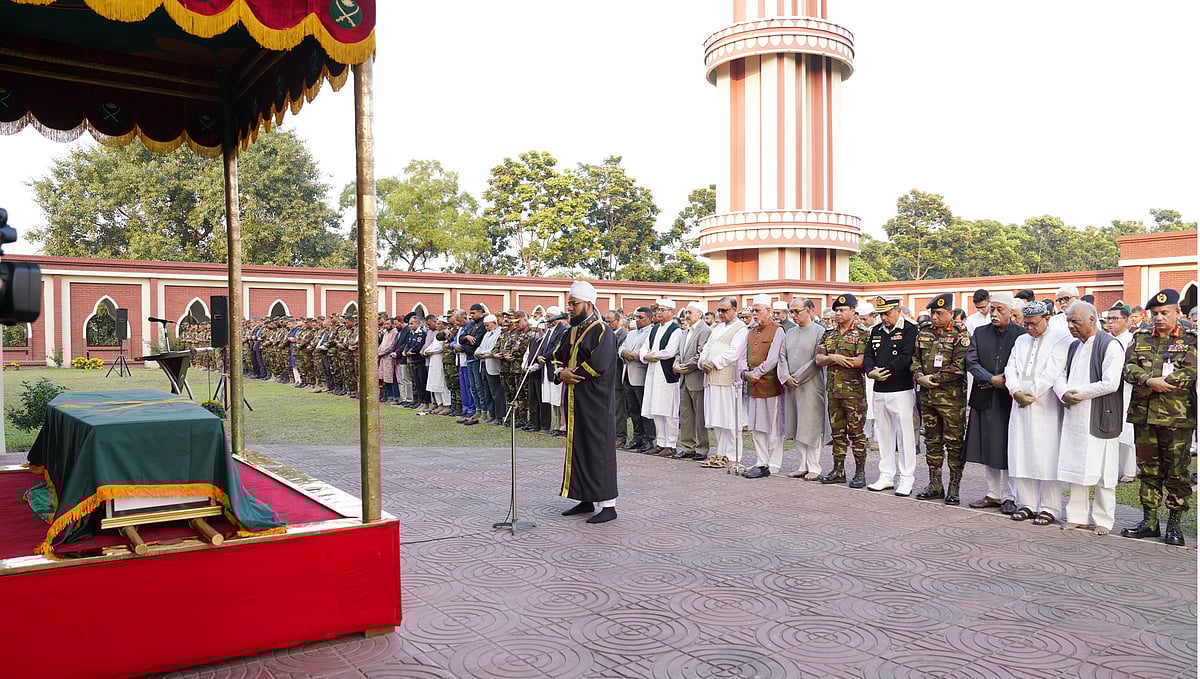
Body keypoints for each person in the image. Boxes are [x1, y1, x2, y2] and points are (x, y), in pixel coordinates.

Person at [1120, 288, 1197, 546]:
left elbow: (1190, 371)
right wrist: (1149, 379)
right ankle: (1149, 521)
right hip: (1144, 416)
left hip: (1176, 417)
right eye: (1155, 313)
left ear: (1177, 312)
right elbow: (1128, 368)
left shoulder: (1190, 339)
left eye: (1164, 313)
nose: (1159, 318)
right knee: (1148, 470)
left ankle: (1174, 523)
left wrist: (1164, 382)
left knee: (1177, 471)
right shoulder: (1141, 337)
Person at [1055, 300, 1124, 535]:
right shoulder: (1074, 346)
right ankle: (1077, 516)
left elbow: (1111, 383)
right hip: (1075, 416)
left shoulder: (1110, 345)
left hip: (1101, 415)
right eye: (1068, 321)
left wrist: (1080, 394)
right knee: (1077, 466)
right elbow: (1061, 375)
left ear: (1092, 320)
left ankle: (1104, 520)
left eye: (1076, 321)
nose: (1071, 326)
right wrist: (1064, 392)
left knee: (1105, 471)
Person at [554, 280, 619, 524]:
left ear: (588, 304)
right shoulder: (571, 330)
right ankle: (585, 497)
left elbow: (600, 364)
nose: (569, 308)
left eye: (574, 304)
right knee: (578, 446)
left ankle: (608, 504)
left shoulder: (603, 331)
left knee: (598, 448)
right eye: (568, 303)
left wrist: (572, 374)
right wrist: (560, 373)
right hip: (575, 399)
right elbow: (555, 356)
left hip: (595, 402)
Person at [1004, 302, 1070, 526]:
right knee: (1021, 452)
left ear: (1047, 318)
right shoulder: (1021, 339)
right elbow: (1010, 367)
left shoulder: (1062, 338)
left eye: (1033, 324)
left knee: (1047, 455)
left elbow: (1054, 370)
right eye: (1026, 324)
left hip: (1046, 404)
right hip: (1019, 401)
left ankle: (1049, 507)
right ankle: (1027, 504)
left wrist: (1031, 394)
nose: (1029, 328)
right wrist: (1014, 391)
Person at [965, 292, 1026, 513]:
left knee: (1008, 446)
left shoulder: (1021, 335)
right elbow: (971, 361)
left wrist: (1007, 381)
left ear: (1011, 312)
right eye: (992, 309)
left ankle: (1011, 496)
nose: (995, 314)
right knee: (987, 445)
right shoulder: (980, 333)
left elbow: (1022, 365)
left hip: (1009, 398)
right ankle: (993, 494)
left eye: (1000, 310)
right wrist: (990, 378)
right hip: (984, 394)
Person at [912, 293, 970, 504]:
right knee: (932, 441)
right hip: (928, 397)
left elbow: (960, 366)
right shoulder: (924, 332)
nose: (934, 317)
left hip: (951, 399)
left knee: (954, 443)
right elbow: (914, 358)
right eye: (932, 313)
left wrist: (933, 378)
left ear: (951, 313)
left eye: (939, 313)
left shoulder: (960, 334)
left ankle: (954, 486)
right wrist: (919, 376)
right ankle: (935, 483)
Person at [864, 295, 919, 496]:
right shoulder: (876, 330)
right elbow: (868, 353)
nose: (884, 318)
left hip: (901, 388)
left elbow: (907, 356)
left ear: (897, 310)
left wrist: (887, 370)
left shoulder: (909, 329)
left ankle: (906, 478)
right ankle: (886, 475)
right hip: (879, 389)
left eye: (887, 313)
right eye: (880, 314)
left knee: (905, 436)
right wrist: (870, 371)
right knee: (884, 434)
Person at [816, 293, 869, 487]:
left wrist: (835, 358)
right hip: (833, 391)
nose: (838, 314)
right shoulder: (829, 333)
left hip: (853, 393)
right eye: (836, 310)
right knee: (837, 433)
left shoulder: (862, 334)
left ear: (853, 311)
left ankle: (860, 472)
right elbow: (819, 359)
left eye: (842, 310)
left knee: (856, 433)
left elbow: (860, 361)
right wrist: (834, 358)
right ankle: (838, 469)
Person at [780, 297, 827, 480]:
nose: (794, 315)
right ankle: (802, 464)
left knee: (811, 425)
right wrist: (785, 376)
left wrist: (797, 377)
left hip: (811, 385)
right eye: (791, 311)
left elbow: (817, 360)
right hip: (791, 386)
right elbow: (782, 356)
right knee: (797, 424)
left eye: (797, 311)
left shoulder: (820, 332)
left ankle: (814, 466)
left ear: (809, 310)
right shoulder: (789, 332)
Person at [739, 294, 786, 478]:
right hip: (753, 385)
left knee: (773, 427)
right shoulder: (750, 331)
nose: (755, 314)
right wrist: (745, 373)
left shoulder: (777, 330)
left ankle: (773, 463)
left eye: (758, 310)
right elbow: (742, 355)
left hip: (770, 385)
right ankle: (761, 461)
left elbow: (773, 358)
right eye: (753, 310)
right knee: (756, 426)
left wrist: (756, 373)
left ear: (768, 311)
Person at [700, 296, 749, 469]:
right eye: (719, 310)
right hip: (711, 378)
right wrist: (703, 361)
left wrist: (713, 363)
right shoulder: (717, 327)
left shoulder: (741, 329)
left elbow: (733, 352)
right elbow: (706, 347)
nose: (721, 313)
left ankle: (733, 454)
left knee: (730, 418)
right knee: (717, 417)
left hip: (728, 378)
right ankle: (720, 453)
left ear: (735, 309)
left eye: (724, 310)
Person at [640, 299, 683, 456]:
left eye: (663, 310)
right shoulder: (654, 329)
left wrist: (653, 355)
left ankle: (670, 444)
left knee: (668, 409)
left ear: (672, 312)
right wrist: (645, 356)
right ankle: (660, 442)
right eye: (658, 309)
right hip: (653, 372)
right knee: (656, 408)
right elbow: (644, 348)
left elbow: (671, 351)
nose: (659, 312)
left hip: (666, 375)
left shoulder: (676, 330)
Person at [673, 302, 711, 460]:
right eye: (686, 312)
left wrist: (684, 367)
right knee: (686, 416)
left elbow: (701, 355)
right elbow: (677, 353)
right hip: (683, 379)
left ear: (700, 314)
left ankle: (701, 449)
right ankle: (688, 447)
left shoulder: (705, 331)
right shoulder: (684, 331)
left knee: (699, 416)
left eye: (690, 312)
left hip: (696, 378)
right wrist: (676, 364)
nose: (686, 315)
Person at [1105, 303, 1138, 482]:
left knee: (1127, 429)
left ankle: (1129, 470)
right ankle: (1112, 468)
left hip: (1127, 389)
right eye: (1108, 319)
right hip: (1107, 388)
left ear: (1127, 321)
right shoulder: (1104, 339)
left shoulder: (1133, 340)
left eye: (1115, 319)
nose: (1111, 323)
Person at [618, 307, 655, 451]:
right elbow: (621, 347)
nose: (637, 320)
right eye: (636, 317)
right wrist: (624, 352)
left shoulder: (652, 332)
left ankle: (648, 438)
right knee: (633, 409)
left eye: (641, 318)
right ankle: (637, 437)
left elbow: (648, 349)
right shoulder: (631, 333)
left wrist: (633, 354)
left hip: (641, 374)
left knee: (644, 409)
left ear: (649, 318)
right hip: (627, 373)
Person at [605, 310, 629, 447]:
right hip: (606, 378)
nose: (608, 324)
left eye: (611, 322)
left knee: (619, 410)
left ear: (618, 320)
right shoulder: (606, 334)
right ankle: (610, 435)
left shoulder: (622, 335)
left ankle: (620, 436)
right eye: (606, 321)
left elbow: (616, 355)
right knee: (609, 409)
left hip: (617, 376)